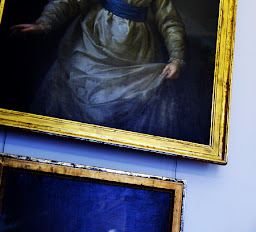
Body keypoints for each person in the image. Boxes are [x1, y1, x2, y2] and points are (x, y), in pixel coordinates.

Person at [10, 0, 186, 139]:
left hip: (136, 52)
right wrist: (44, 23)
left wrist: (176, 58)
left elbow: (169, 20)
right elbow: (71, 1)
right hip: (94, 40)